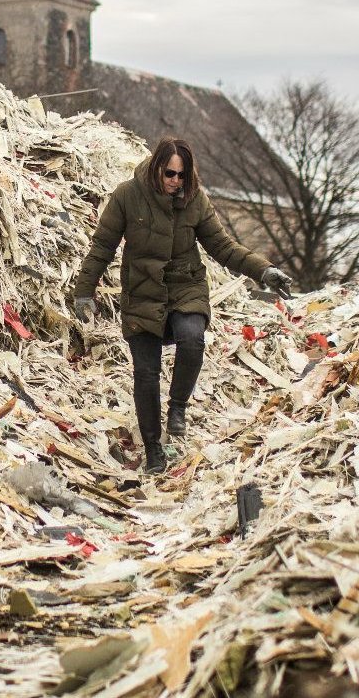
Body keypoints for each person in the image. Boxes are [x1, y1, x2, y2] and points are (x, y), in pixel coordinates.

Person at [69, 137, 293, 474]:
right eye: (170, 174)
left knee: (192, 337)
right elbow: (103, 245)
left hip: (186, 286)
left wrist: (264, 270)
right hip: (142, 293)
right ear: (157, 167)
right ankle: (153, 448)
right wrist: (84, 290)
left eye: (182, 175)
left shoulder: (194, 201)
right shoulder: (128, 196)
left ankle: (178, 407)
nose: (176, 181)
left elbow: (223, 246)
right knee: (146, 373)